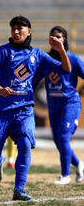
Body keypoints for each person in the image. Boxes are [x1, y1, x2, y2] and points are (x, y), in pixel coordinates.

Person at [0, 16, 71, 201]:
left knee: (25, 144)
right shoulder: (1, 52)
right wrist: (0, 89)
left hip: (24, 109)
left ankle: (19, 189)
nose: (16, 32)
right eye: (13, 29)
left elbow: (66, 69)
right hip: (0, 110)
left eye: (20, 28)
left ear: (29, 31)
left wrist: (61, 50)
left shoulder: (37, 55)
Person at [32, 26, 84, 185]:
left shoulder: (73, 59)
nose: (55, 39)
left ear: (64, 40)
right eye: (52, 36)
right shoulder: (45, 60)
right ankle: (79, 164)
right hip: (53, 106)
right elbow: (34, 81)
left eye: (59, 37)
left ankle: (65, 176)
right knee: (58, 141)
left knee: (63, 136)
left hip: (70, 104)